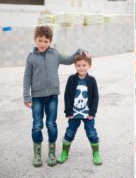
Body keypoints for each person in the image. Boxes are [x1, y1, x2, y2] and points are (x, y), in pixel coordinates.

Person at [23, 25, 84, 167]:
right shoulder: (31, 58)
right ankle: (37, 154)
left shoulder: (55, 54)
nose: (42, 44)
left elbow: (69, 60)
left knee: (51, 124)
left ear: (50, 41)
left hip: (52, 96)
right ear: (35, 40)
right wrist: (27, 96)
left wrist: (78, 52)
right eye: (40, 40)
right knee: (37, 125)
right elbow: (27, 77)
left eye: (45, 41)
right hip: (37, 97)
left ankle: (51, 153)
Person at [57, 54, 102, 166]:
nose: (81, 68)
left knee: (91, 133)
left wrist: (92, 113)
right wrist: (68, 111)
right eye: (78, 65)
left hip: (88, 114)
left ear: (89, 66)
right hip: (74, 113)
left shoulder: (92, 80)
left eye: (84, 65)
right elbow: (67, 95)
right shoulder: (71, 79)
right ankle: (64, 152)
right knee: (70, 132)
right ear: (75, 66)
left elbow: (95, 97)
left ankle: (96, 153)